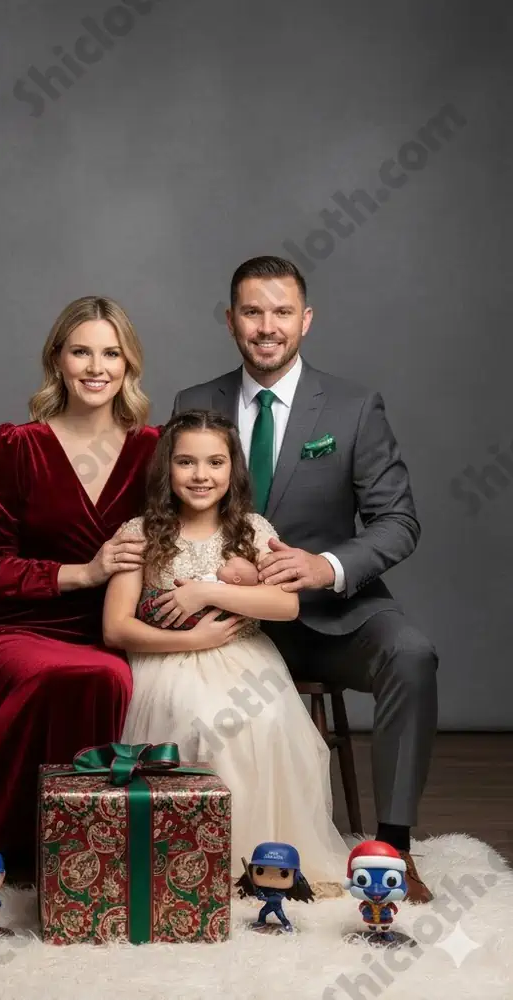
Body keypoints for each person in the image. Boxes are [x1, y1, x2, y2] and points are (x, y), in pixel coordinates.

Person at [169, 255, 437, 902]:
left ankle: (393, 847)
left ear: (306, 320)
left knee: (411, 655)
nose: (268, 326)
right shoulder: (193, 403)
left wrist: (326, 566)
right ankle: (201, 849)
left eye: (282, 312)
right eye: (253, 312)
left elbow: (399, 521)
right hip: (229, 623)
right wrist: (211, 570)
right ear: (230, 320)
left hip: (331, 616)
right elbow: (165, 511)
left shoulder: (354, 406)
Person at [0, 295, 159, 884]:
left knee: (102, 672)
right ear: (57, 360)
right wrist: (84, 573)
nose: (96, 368)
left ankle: (74, 860)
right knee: (86, 676)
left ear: (128, 364)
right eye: (81, 352)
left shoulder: (154, 448)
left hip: (115, 630)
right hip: (21, 630)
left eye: (111, 354)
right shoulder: (18, 445)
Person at [106, 410, 349, 893]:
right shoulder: (140, 532)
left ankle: (261, 859)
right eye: (186, 462)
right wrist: (191, 639)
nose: (201, 475)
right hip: (169, 658)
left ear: (232, 469)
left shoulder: (252, 529)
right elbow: (116, 628)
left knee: (267, 720)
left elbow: (285, 605)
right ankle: (196, 864)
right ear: (166, 468)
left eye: (215, 462)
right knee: (205, 722)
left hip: (244, 653)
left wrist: (206, 592)